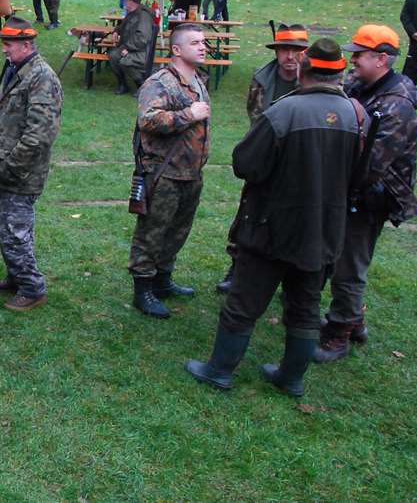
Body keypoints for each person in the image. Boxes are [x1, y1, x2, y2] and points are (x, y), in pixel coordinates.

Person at [186, 39, 360, 397]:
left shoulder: (285, 111)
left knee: (244, 302)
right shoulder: (356, 115)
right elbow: (361, 174)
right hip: (324, 230)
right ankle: (291, 378)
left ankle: (219, 370)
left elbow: (246, 163)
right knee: (305, 306)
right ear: (340, 73)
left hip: (271, 227)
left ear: (305, 70)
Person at [316, 25, 417, 362]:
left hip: (371, 195)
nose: (352, 61)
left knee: (348, 264)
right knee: (344, 257)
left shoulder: (397, 105)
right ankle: (354, 322)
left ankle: (338, 335)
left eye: (359, 55)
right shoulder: (362, 85)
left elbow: (372, 164)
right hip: (354, 187)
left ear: (381, 59)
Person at [218, 24, 309, 293]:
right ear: (276, 51)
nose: (290, 57)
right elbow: (255, 121)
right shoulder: (261, 79)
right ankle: (237, 269)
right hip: (265, 160)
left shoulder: (314, 81)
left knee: (295, 222)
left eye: (296, 51)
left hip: (300, 165)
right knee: (248, 217)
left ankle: (292, 282)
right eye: (284, 50)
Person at [127, 23, 210, 319]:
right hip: (163, 174)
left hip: (191, 172)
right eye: (195, 43)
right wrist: (189, 114)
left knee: (177, 231)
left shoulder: (197, 80)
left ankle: (162, 280)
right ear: (176, 49)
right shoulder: (160, 82)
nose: (202, 47)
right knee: (152, 232)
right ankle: (143, 290)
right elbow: (147, 120)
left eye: (203, 42)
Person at [0, 17, 62, 311]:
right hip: (9, 165)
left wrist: (9, 166)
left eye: (8, 44)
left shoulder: (42, 78)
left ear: (26, 45)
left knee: (14, 232)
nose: (4, 49)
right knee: (9, 228)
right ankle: (16, 277)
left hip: (22, 171)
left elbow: (39, 136)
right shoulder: (20, 71)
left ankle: (32, 288)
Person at [107, 0, 156, 95]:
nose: (125, 4)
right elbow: (123, 26)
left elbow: (142, 38)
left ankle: (141, 85)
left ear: (131, 2)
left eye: (126, 1)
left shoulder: (144, 16)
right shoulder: (131, 13)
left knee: (124, 60)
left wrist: (128, 48)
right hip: (131, 47)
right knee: (113, 55)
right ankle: (123, 85)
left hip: (141, 51)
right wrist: (116, 31)